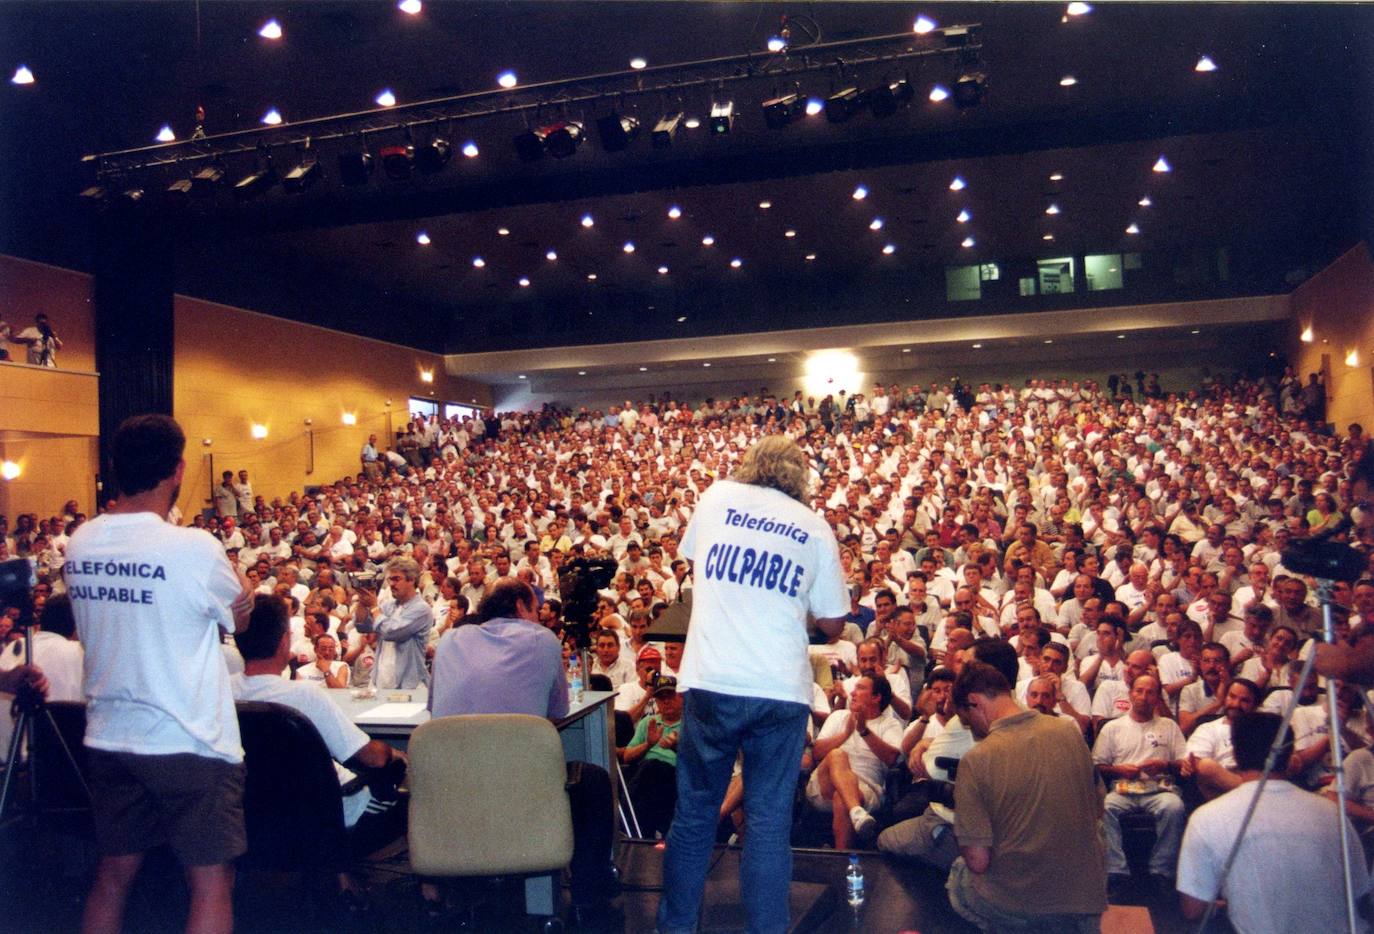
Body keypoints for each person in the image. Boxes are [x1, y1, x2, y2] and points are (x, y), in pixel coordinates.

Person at [65, 413, 253, 934]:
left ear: (114, 468)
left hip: (108, 734)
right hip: (188, 737)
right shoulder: (192, 547)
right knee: (211, 882)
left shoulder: (81, 540)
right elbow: (239, 613)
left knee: (113, 875)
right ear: (178, 469)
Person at [658, 435, 848, 934]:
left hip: (713, 679)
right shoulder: (815, 527)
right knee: (767, 825)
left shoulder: (717, 496)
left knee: (696, 815)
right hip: (779, 688)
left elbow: (701, 567)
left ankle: (674, 929)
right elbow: (833, 624)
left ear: (750, 464)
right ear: (799, 477)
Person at [429, 577, 617, 915]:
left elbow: (434, 710)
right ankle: (590, 893)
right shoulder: (542, 640)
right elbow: (557, 711)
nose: (540, 617)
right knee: (595, 780)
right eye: (536, 609)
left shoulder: (449, 640)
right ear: (519, 606)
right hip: (522, 790)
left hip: (453, 793)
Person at [230, 595, 407, 905]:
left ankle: (341, 880)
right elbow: (373, 758)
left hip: (255, 817)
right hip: (330, 816)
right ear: (285, 641)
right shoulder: (304, 696)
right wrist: (396, 755)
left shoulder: (221, 690)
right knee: (405, 791)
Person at [945, 662, 1107, 932]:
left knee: (959, 873)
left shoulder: (976, 759)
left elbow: (977, 860)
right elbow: (1097, 808)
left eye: (966, 719)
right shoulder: (1069, 732)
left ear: (974, 702)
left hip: (1022, 903)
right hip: (1083, 897)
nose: (972, 730)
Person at [1177, 711, 1371, 931]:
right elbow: (1359, 890)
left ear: (1236, 754)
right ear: (1289, 756)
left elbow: (1193, 910)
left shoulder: (1206, 818)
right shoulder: (1331, 812)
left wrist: (1227, 905)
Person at [1093, 674, 1192, 895]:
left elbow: (1183, 761)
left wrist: (1164, 764)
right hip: (1122, 788)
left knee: (1174, 807)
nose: (1144, 697)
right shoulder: (1113, 727)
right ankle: (1116, 871)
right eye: (1139, 691)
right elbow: (1097, 766)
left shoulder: (1169, 726)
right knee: (1105, 807)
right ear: (1130, 694)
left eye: (1150, 692)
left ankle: (1161, 871)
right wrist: (1119, 769)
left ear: (1157, 697)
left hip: (1159, 789)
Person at [352, 556, 431, 689]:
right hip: (380, 680)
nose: (392, 584)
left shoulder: (422, 609)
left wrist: (374, 607)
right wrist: (362, 600)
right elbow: (363, 626)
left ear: (411, 580)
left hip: (407, 684)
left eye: (396, 579)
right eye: (390, 579)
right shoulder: (388, 606)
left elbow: (391, 632)